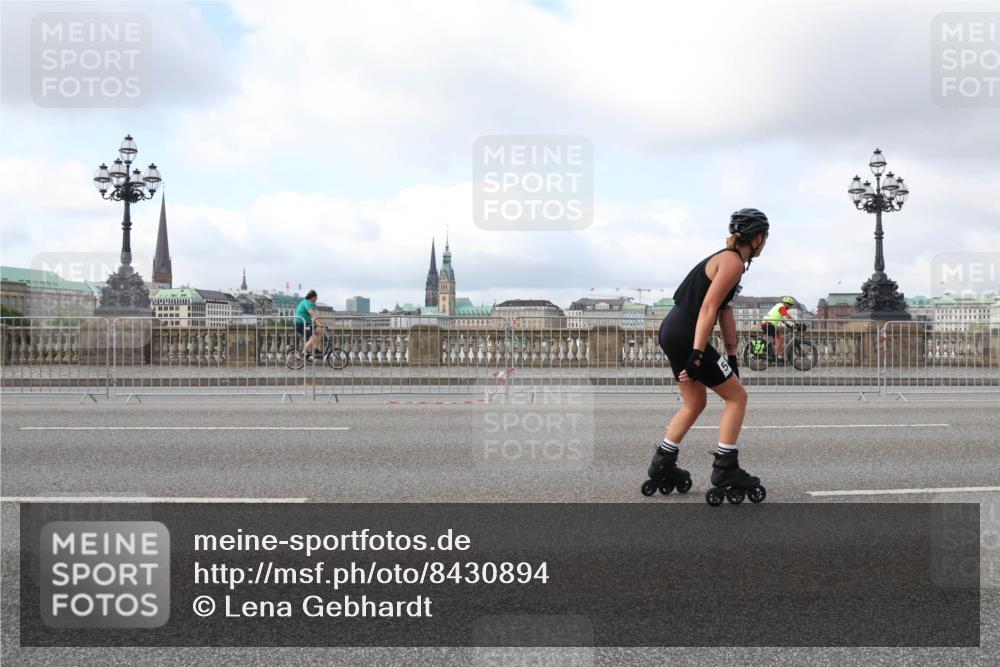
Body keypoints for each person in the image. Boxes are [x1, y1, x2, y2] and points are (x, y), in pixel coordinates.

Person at [644, 208, 769, 504]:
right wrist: (698, 353)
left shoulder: (725, 259)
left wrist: (732, 355)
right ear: (759, 238)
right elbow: (708, 309)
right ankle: (726, 467)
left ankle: (663, 462)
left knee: (695, 402)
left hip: (671, 330)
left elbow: (725, 312)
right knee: (737, 398)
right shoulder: (732, 263)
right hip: (688, 334)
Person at [294, 290, 324, 360]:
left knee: (320, 330)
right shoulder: (306, 302)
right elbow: (312, 314)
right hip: (300, 324)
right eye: (316, 297)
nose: (317, 299)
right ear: (313, 297)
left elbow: (315, 315)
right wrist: (319, 323)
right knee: (313, 338)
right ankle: (301, 353)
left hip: (307, 324)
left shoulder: (313, 304)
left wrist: (320, 324)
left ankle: (316, 350)